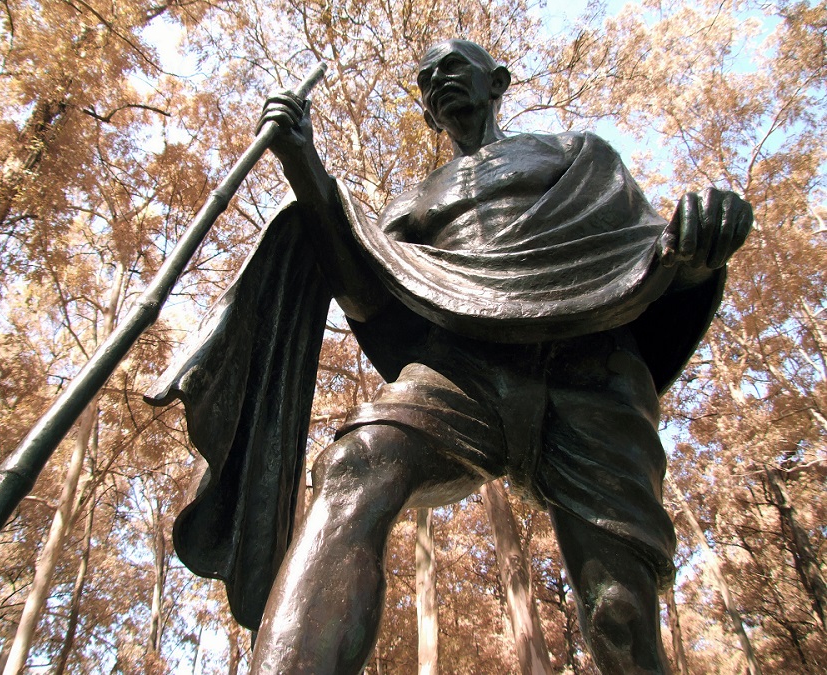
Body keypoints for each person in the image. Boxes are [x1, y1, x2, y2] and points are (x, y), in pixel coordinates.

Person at [146, 40, 752, 674]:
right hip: (463, 367)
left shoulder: (578, 155)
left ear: (497, 81)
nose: (438, 84)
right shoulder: (415, 200)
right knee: (354, 466)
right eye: (426, 80)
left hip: (590, 362)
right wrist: (304, 163)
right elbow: (366, 295)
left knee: (619, 609)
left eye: (452, 70)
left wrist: (700, 243)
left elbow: (645, 260)